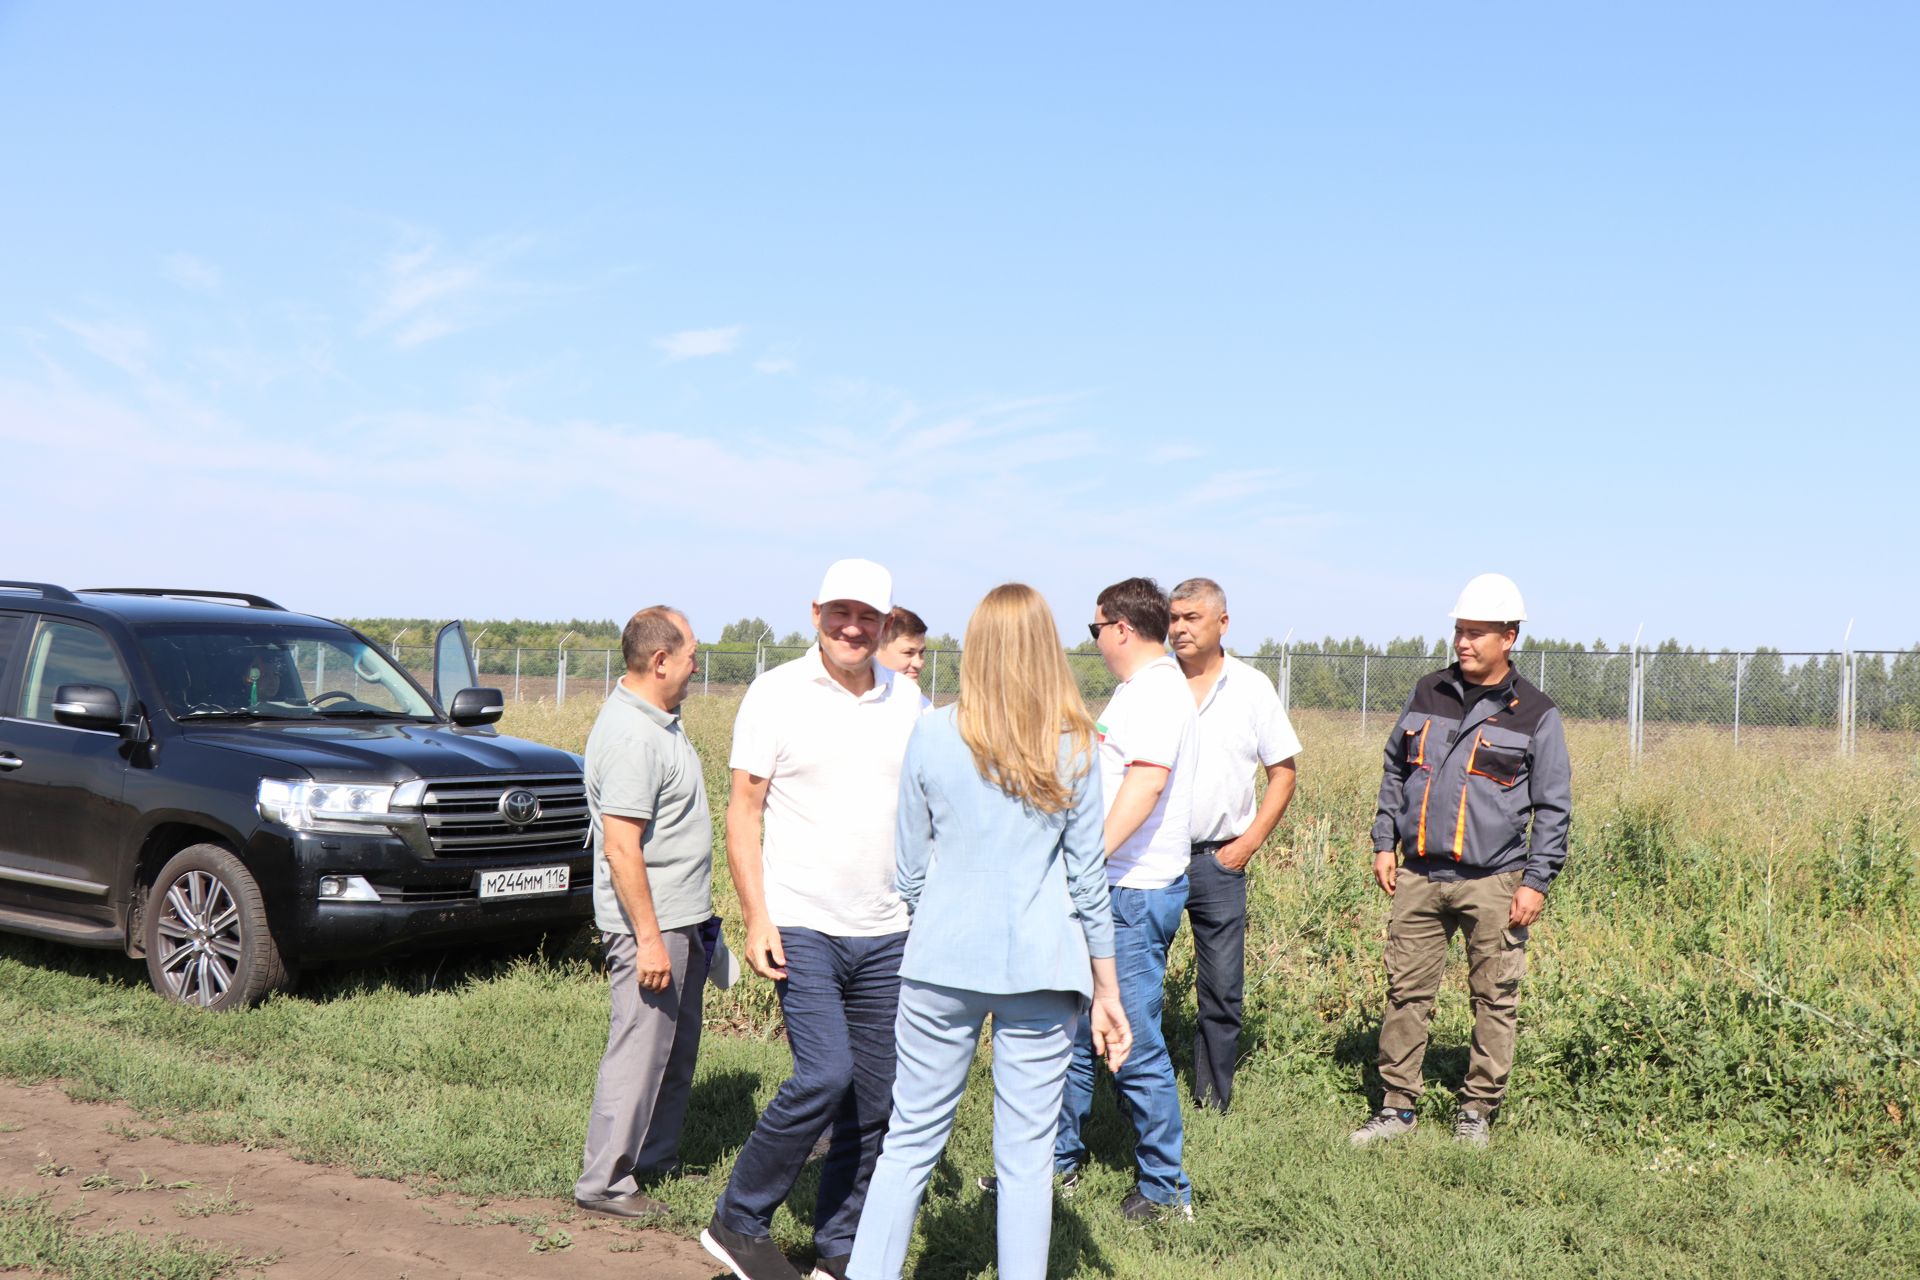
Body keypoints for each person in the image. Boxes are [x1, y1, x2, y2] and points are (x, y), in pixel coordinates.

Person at [846, 583, 1132, 1280]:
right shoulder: (1074, 745)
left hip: (941, 957)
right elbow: (1088, 881)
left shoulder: (933, 731)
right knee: (1028, 1157)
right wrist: (1108, 989)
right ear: (1045, 649)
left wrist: (942, 914)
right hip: (1044, 966)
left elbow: (909, 867)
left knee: (909, 1139)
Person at [703, 559, 926, 1280]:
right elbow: (743, 810)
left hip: (889, 928)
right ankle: (738, 1221)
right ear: (816, 613)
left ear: (887, 623)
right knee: (825, 1074)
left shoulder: (909, 699)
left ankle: (840, 1248)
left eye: (868, 617)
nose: (853, 628)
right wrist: (756, 916)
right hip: (802, 921)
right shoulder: (775, 694)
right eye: (840, 613)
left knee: (876, 1095)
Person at [1351, 573, 1572, 1149]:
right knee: (1405, 992)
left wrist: (1537, 882)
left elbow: (1553, 805)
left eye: (1476, 633)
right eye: (1458, 631)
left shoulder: (1536, 714)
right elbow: (1396, 769)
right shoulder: (1427, 692)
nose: (1463, 643)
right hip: (1419, 875)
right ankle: (1397, 1106)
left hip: (1495, 880)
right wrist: (1383, 840)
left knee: (1494, 996)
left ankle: (1477, 1108)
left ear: (1510, 637)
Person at [1051, 576, 1198, 1220]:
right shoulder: (1138, 690)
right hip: (1115, 885)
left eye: (1095, 629)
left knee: (1129, 1038)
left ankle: (1166, 1192)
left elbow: (1144, 784)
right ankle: (1055, 1164)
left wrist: (1086, 857)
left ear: (1120, 628)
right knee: (1083, 1035)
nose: (1096, 642)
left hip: (1132, 892)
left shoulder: (1158, 692)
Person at [574, 607, 712, 1218]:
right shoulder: (633, 736)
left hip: (680, 919)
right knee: (639, 1049)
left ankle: (652, 1159)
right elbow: (622, 847)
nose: (695, 667)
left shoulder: (658, 721)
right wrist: (651, 941)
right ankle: (604, 1183)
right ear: (660, 662)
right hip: (649, 929)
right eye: (690, 656)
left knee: (671, 1052)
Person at [1167, 578, 1301, 1113]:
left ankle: (1212, 1103)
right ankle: (1130, 1096)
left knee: (1222, 990)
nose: (1179, 627)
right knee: (1134, 985)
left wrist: (1246, 844)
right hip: (1153, 860)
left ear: (1222, 623)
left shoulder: (1251, 688)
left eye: (1191, 617)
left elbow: (1283, 773)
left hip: (1218, 861)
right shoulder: (1151, 684)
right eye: (1173, 617)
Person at [874, 607, 928, 684]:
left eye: (921, 652)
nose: (918, 664)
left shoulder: (915, 695)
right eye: (908, 653)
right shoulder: (853, 695)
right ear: (875, 650)